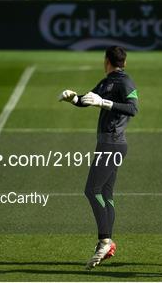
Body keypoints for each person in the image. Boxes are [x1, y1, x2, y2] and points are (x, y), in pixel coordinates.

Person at [58, 46, 138, 269]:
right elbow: (88, 99)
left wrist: (104, 103)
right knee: (105, 192)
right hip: (108, 143)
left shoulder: (124, 81)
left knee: (91, 190)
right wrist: (73, 98)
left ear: (107, 61)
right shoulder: (107, 81)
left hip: (113, 143)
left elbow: (133, 108)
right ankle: (107, 243)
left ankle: (104, 240)